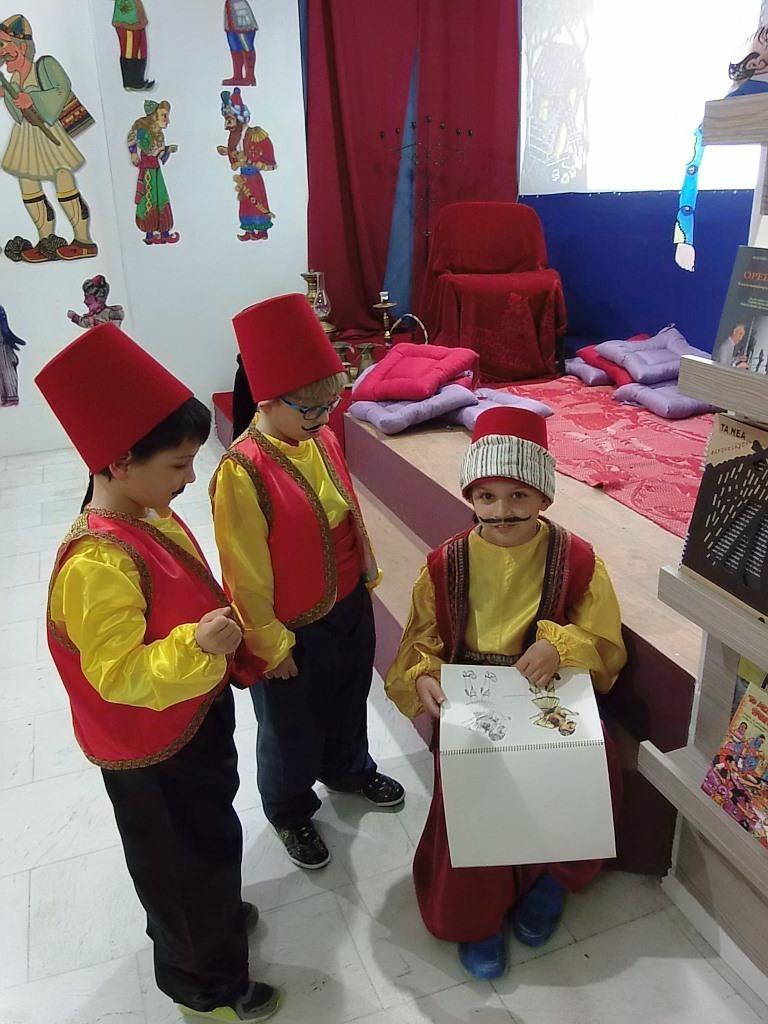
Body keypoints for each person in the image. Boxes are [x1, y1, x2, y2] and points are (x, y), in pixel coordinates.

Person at [35, 323, 280, 1023]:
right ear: (118, 462)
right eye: (178, 465)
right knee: (177, 865)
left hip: (187, 720)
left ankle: (212, 920)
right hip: (150, 747)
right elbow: (117, 674)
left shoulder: (149, 512)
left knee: (207, 839)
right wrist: (198, 646)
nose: (190, 479)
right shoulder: (96, 564)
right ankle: (204, 983)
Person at [385, 407, 627, 980]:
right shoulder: (446, 563)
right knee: (474, 789)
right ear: (470, 496)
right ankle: (476, 915)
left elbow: (604, 639)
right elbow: (422, 639)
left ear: (544, 496)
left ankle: (551, 880)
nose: (502, 511)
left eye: (519, 495)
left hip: (547, 690)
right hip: (473, 694)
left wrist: (561, 646)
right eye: (486, 496)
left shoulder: (578, 559)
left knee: (591, 762)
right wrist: (424, 675)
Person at [210, 293, 404, 869]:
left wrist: (363, 581)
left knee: (348, 697)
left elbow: (345, 513)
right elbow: (244, 572)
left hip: (348, 601)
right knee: (290, 726)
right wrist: (269, 644)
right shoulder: (242, 470)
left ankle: (349, 769)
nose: (322, 419)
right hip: (292, 626)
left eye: (330, 405)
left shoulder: (320, 437)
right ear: (268, 401)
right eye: (310, 409)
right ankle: (290, 808)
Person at [0, 14, 98, 263]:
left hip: (49, 134)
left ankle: (83, 240)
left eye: (3, 44)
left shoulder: (45, 65)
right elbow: (18, 116)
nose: (2, 52)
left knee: (62, 176)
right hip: (26, 137)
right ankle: (45, 240)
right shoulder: (14, 78)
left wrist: (33, 99)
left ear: (21, 46)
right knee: (28, 182)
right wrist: (9, 96)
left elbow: (62, 89)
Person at [218, 88, 276, 241]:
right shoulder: (234, 137)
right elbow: (235, 153)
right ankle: (249, 231)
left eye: (230, 119)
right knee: (245, 204)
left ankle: (261, 231)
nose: (227, 123)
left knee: (257, 201)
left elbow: (267, 159)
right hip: (243, 176)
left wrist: (254, 162)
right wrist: (228, 152)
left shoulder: (255, 134)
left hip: (253, 176)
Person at [127, 99, 179, 245]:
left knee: (161, 196)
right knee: (149, 198)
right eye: (164, 115)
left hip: (155, 168)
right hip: (148, 169)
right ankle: (150, 232)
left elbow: (159, 152)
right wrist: (133, 153)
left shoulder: (159, 134)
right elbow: (147, 148)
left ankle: (163, 231)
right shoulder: (144, 131)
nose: (167, 120)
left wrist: (167, 150)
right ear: (154, 115)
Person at [109, 0, 154, 91]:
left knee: (140, 52)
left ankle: (138, 81)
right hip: (128, 25)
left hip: (136, 25)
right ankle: (130, 82)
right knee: (129, 52)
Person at [223, 0, 258, 86]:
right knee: (234, 46)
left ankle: (250, 76)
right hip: (231, 14)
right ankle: (237, 75)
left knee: (245, 45)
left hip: (241, 16)